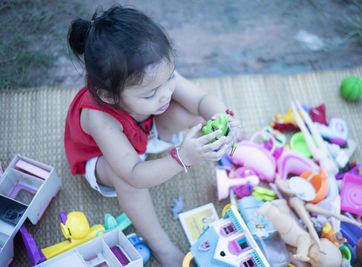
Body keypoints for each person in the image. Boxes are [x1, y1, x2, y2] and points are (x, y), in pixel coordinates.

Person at [64, 5, 242, 266]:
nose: (166, 94)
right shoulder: (98, 117)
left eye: (170, 78)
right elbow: (134, 174)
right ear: (109, 95)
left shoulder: (155, 71)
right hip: (103, 158)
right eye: (150, 94)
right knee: (123, 178)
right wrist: (182, 157)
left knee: (194, 113)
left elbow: (202, 100)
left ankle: (154, 137)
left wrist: (226, 119)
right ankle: (161, 246)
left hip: (143, 132)